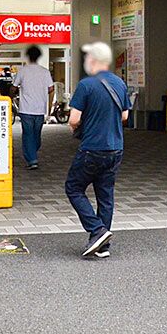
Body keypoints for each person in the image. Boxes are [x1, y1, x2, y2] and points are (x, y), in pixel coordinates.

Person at [65, 42, 130, 259]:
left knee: (73, 187)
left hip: (92, 148)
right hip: (116, 149)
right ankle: (102, 246)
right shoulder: (119, 83)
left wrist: (76, 126)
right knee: (105, 195)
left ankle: (97, 230)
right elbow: (124, 116)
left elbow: (74, 119)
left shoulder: (86, 85)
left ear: (92, 60)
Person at [12, 45, 55, 169]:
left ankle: (31, 156)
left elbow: (14, 87)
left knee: (28, 135)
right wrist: (45, 99)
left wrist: (11, 94)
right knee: (36, 134)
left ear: (28, 57)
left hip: (26, 108)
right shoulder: (45, 71)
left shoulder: (22, 71)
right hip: (40, 108)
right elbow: (51, 88)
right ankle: (32, 158)